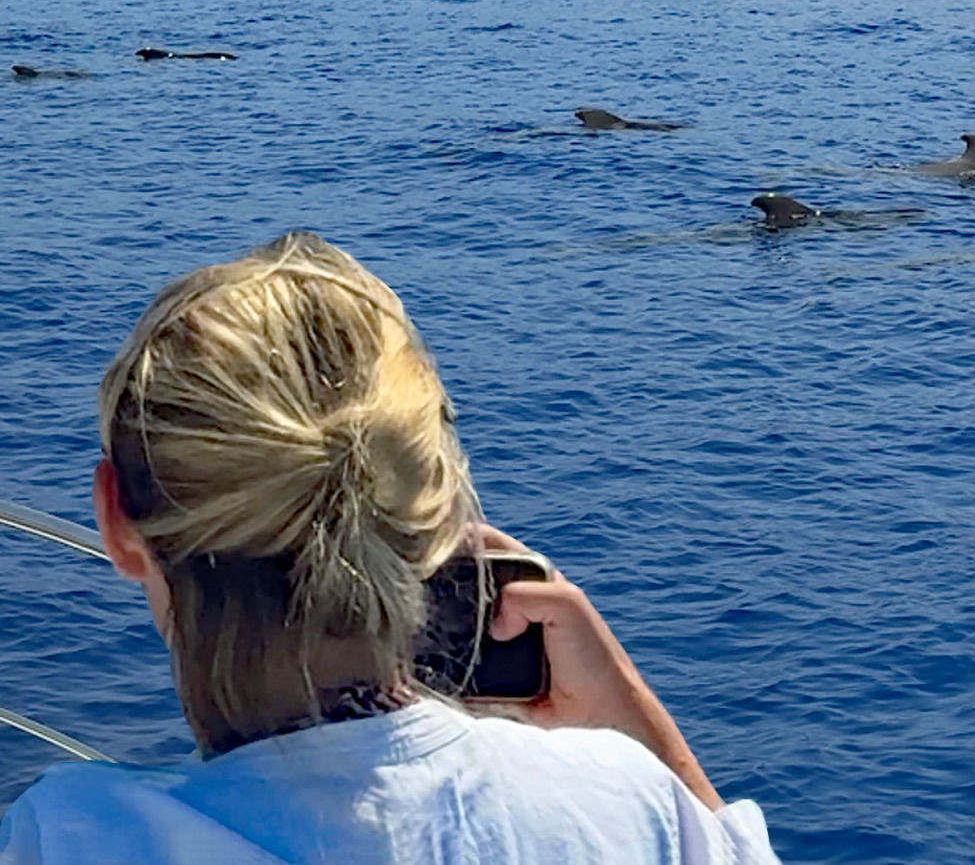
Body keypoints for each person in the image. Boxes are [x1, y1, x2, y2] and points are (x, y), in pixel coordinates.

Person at [0, 232, 780, 864]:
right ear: (434, 512)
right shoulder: (627, 806)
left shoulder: (68, 834)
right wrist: (634, 731)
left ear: (115, 518)